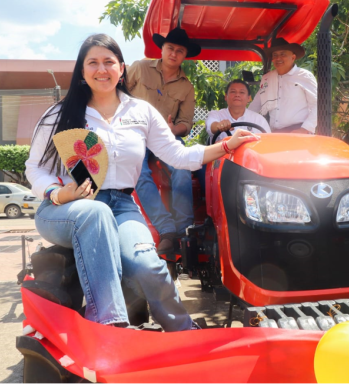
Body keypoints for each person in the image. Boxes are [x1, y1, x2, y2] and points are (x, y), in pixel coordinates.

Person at [25, 34, 259, 331]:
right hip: (66, 208)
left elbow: (179, 155)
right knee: (95, 213)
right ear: (82, 71)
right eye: (93, 62)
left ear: (121, 68)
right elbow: (34, 168)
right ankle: (111, 328)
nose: (102, 69)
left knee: (147, 265)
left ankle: (183, 331)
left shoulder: (141, 112)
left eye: (109, 62)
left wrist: (226, 146)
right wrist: (57, 193)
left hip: (122, 205)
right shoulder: (60, 113)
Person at [127, 28, 200, 254]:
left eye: (180, 51)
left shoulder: (187, 87)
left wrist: (172, 128)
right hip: (134, 132)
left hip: (166, 136)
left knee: (184, 166)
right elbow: (117, 95)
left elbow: (186, 124)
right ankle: (166, 229)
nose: (174, 53)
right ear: (162, 48)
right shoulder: (139, 67)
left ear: (184, 55)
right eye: (170, 48)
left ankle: (185, 229)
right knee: (138, 170)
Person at [248, 38, 317, 133]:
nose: (278, 58)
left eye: (282, 54)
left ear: (293, 57)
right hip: (274, 134)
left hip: (299, 132)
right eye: (275, 55)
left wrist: (304, 130)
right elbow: (255, 105)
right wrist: (242, 122)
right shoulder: (268, 79)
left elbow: (317, 106)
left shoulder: (304, 76)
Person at [206, 79, 271, 142]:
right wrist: (219, 126)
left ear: (249, 98)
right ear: (226, 96)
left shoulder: (259, 120)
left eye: (242, 92)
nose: (237, 95)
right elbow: (211, 127)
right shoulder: (216, 115)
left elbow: (268, 142)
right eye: (233, 92)